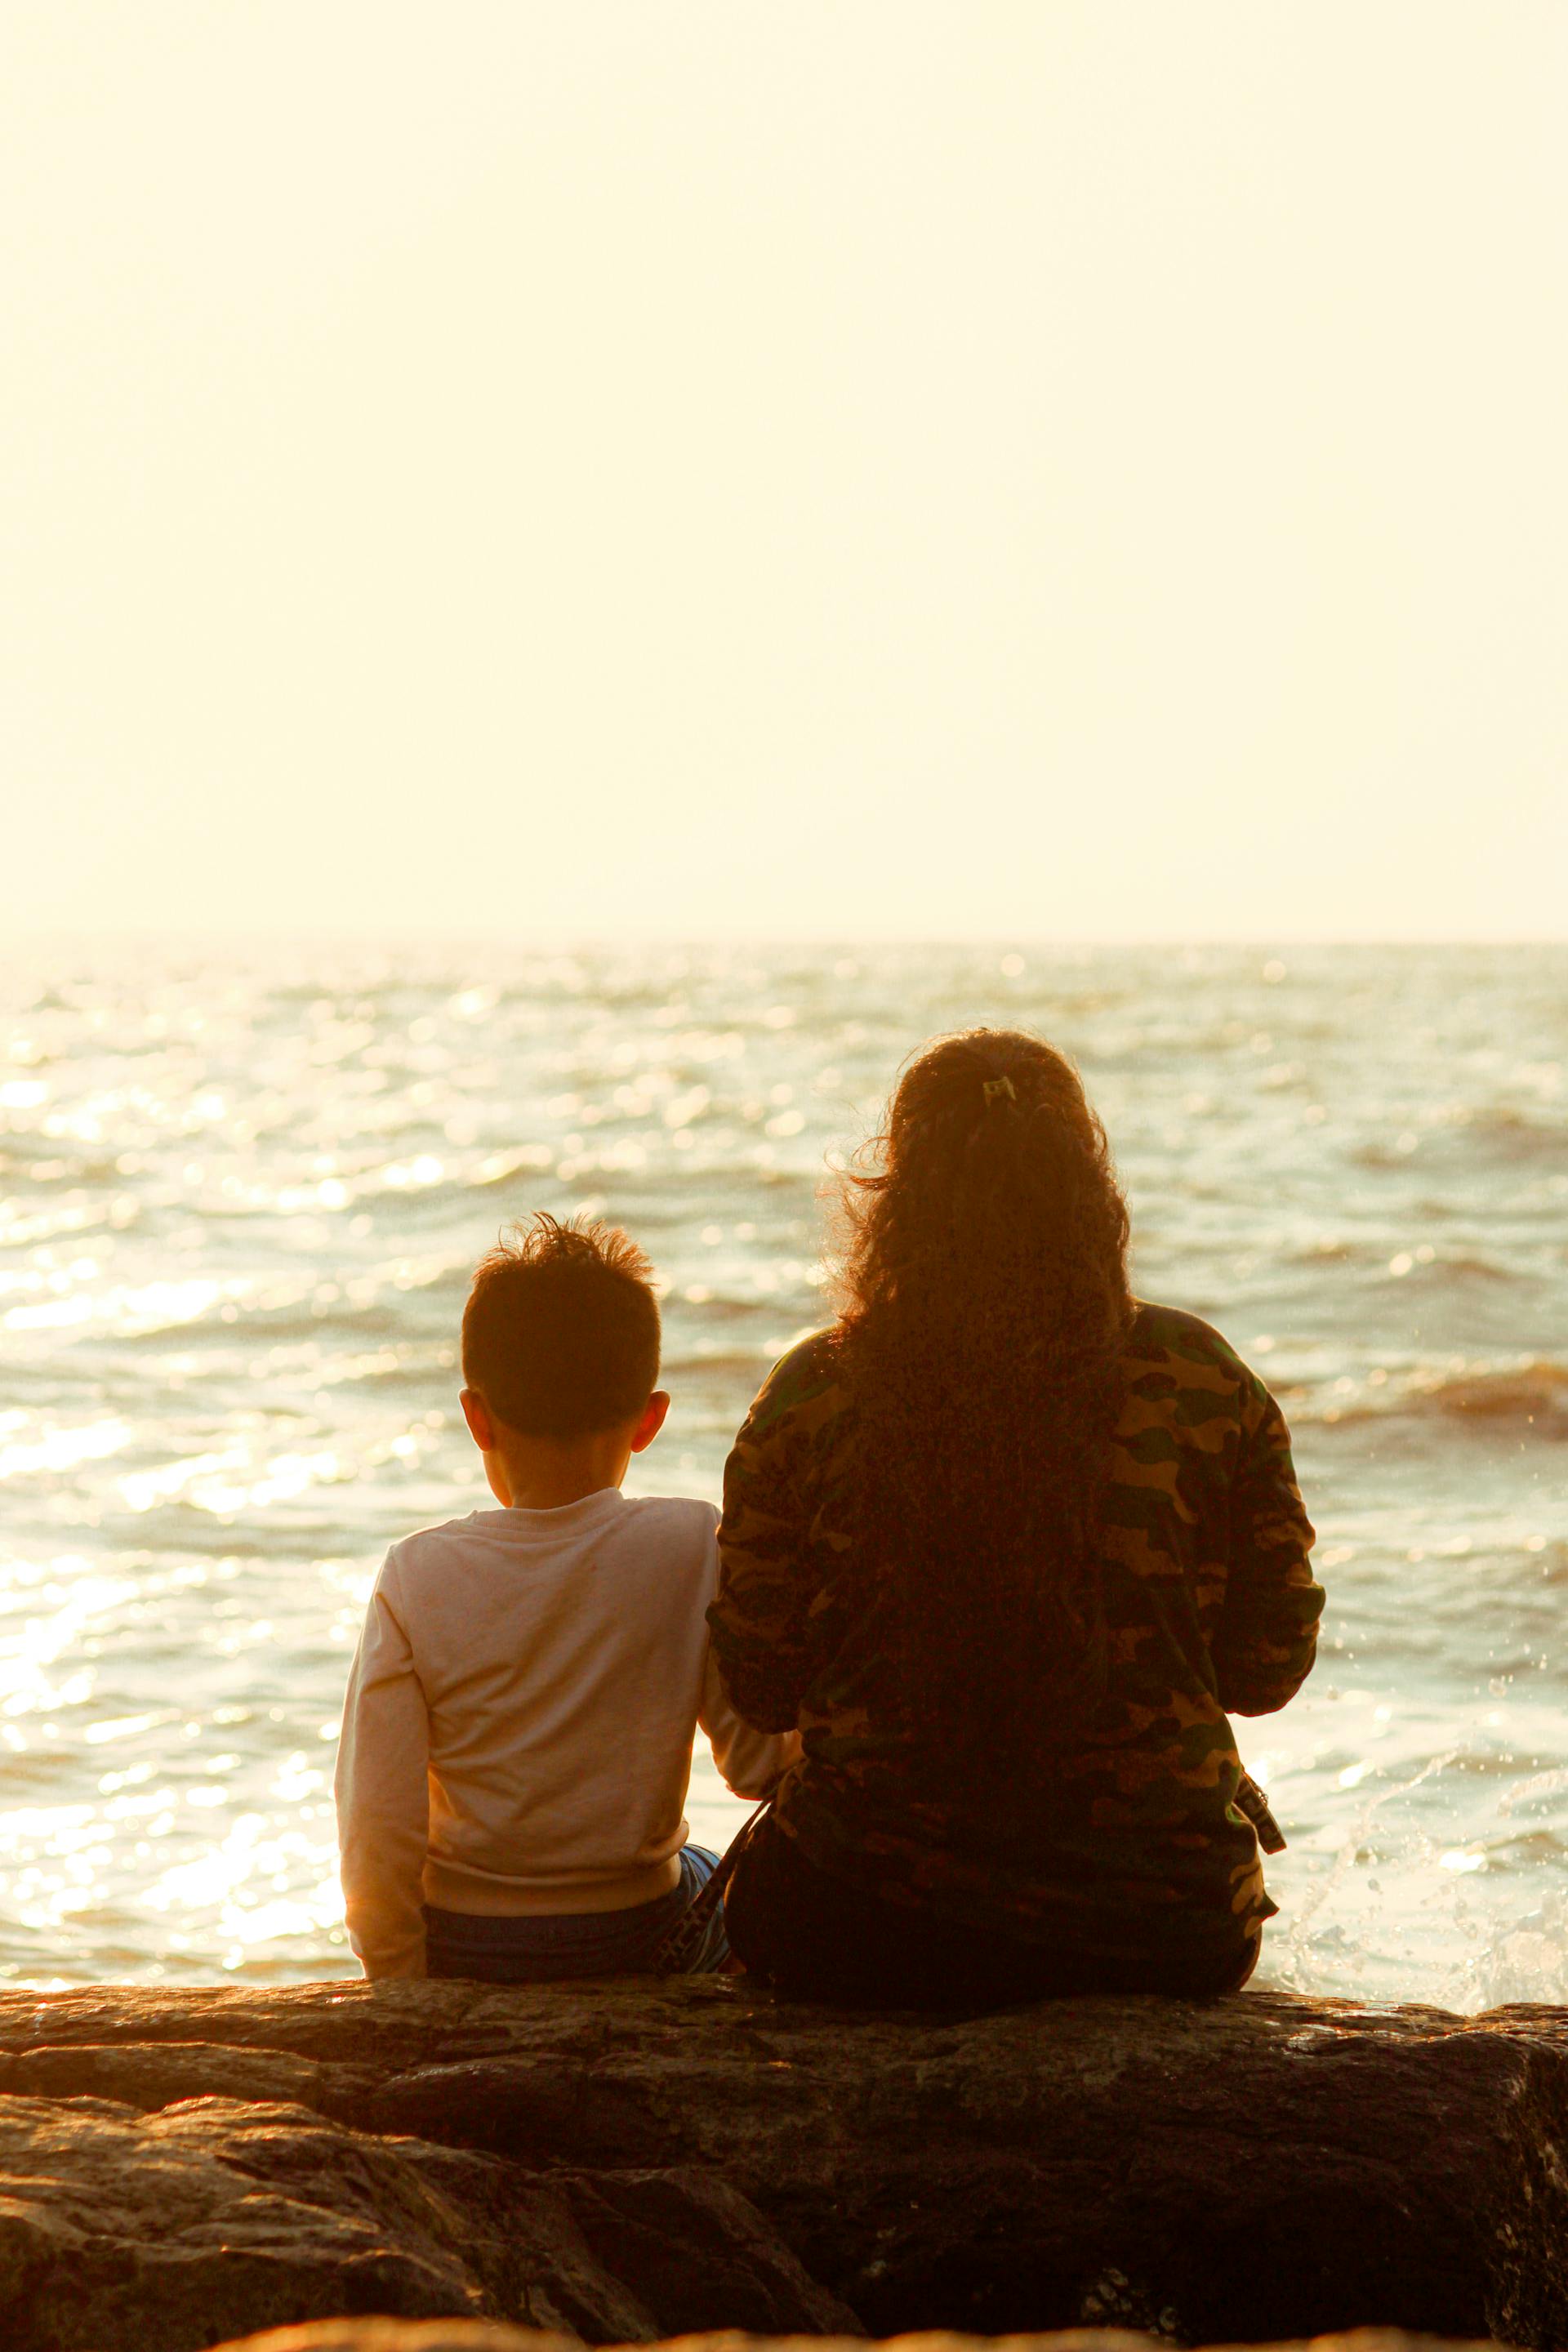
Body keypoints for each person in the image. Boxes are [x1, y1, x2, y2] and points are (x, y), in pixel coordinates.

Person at [707, 1028, 1322, 2009]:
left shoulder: (813, 1394)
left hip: (864, 1925)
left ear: (898, 1202)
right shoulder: (1204, 1379)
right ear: (1090, 1191)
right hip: (1165, 1929)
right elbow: (1268, 1671)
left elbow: (761, 1684)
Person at [335, 1214, 798, 1981]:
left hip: (465, 1945)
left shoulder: (415, 1573)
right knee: (717, 1876)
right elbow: (757, 1765)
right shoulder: (691, 1545)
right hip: (638, 1934)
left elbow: (376, 1825)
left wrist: (401, 1988)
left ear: (476, 1418)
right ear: (650, 1420)